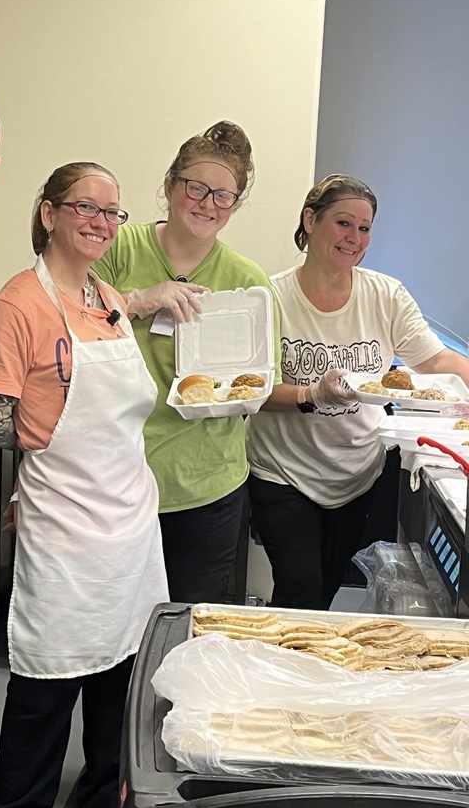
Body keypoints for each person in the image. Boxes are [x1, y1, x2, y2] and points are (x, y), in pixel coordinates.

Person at [0, 162, 168, 808]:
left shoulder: (104, 295)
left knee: (122, 667)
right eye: (86, 207)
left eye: (113, 213)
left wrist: (151, 299)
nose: (101, 223)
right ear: (48, 213)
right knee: (50, 671)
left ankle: (104, 791)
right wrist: (39, 458)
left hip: (130, 517)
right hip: (65, 516)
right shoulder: (18, 305)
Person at [246, 174, 469, 610]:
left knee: (329, 587)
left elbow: (438, 361)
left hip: (359, 473)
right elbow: (254, 390)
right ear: (311, 220)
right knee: (299, 590)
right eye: (343, 223)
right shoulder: (271, 296)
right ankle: (281, 671)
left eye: (364, 228)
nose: (354, 238)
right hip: (283, 472)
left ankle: (305, 669)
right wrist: (311, 393)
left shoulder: (385, 295)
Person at [92, 122, 280, 604]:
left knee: (184, 630)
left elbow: (257, 379)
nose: (207, 203)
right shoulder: (117, 248)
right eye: (196, 187)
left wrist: (244, 393)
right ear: (170, 186)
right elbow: (63, 329)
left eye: (224, 196)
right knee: (114, 629)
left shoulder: (246, 281)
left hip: (206, 484)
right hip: (114, 475)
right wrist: (138, 300)